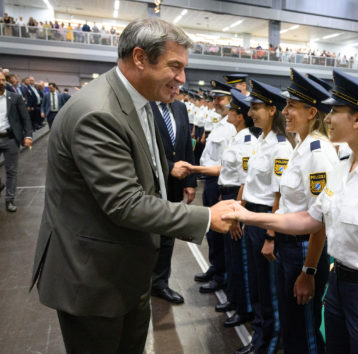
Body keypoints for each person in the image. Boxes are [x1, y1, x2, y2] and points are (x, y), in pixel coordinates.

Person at [29, 18, 236, 354]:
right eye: (175, 66)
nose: (182, 79)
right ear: (140, 57)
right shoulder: (99, 112)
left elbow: (146, 171)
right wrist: (206, 217)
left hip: (126, 271)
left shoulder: (140, 103)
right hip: (94, 281)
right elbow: (124, 203)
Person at [224, 69, 358, 354]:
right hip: (338, 288)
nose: (327, 118)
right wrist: (248, 216)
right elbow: (311, 219)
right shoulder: (343, 167)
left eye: (335, 111)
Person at [274, 68, 338, 353]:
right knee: (293, 327)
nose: (285, 111)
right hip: (290, 246)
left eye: (292, 106)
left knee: (306, 331)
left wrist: (308, 271)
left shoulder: (318, 152)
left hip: (304, 251)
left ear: (312, 112)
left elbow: (320, 218)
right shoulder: (301, 145)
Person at [189, 89, 258, 328]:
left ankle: (244, 307)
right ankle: (235, 300)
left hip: (238, 196)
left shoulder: (248, 140)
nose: (228, 113)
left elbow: (245, 180)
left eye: (232, 110)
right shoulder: (238, 137)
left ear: (239, 116)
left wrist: (238, 211)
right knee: (231, 253)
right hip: (227, 191)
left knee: (240, 258)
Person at [236, 79, 294, 354]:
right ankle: (260, 335)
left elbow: (278, 196)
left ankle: (269, 343)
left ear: (272, 110)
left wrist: (271, 235)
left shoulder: (281, 147)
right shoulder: (262, 140)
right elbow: (250, 183)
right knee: (258, 285)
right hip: (253, 217)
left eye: (256, 107)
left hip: (266, 220)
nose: (250, 113)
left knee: (269, 290)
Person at [148, 94, 197, 305]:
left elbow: (185, 145)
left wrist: (190, 181)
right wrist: (169, 167)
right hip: (150, 182)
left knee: (168, 235)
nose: (176, 87)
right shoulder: (144, 105)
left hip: (176, 185)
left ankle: (160, 284)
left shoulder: (180, 108)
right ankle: (140, 280)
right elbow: (142, 146)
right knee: (146, 233)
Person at [195, 80, 237, 294]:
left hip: (219, 182)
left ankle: (223, 275)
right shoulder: (220, 123)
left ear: (231, 100)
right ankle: (215, 267)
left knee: (221, 235)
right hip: (210, 181)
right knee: (211, 232)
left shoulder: (231, 128)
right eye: (214, 98)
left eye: (220, 98)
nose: (216, 102)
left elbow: (226, 166)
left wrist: (194, 170)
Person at [0, 72, 32, 212]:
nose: (0, 82)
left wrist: (28, 136)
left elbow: (25, 118)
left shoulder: (15, 97)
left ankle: (9, 201)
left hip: (11, 138)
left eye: (2, 80)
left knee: (11, 171)